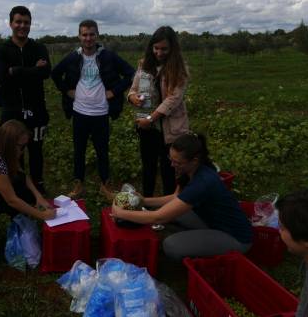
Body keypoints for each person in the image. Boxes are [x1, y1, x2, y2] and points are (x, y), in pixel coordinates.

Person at [111, 133, 252, 261]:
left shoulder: (203, 182)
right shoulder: (191, 170)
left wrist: (120, 213)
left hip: (235, 237)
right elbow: (176, 197)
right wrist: (144, 200)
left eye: (177, 162)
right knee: (169, 210)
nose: (172, 165)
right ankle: (199, 237)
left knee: (171, 245)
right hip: (211, 222)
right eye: (170, 159)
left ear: (194, 160)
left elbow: (158, 217)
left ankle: (206, 250)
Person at [51, 19, 135, 199]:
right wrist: (67, 90)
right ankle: (78, 185)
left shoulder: (108, 56)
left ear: (97, 35)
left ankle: (105, 185)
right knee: (78, 150)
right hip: (80, 111)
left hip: (101, 112)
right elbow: (55, 73)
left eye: (91, 34)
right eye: (84, 34)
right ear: (79, 36)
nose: (88, 38)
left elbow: (130, 73)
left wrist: (115, 91)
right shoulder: (73, 57)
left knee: (102, 150)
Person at [0, 6, 51, 195]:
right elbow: (3, 77)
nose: (22, 26)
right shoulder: (2, 50)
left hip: (37, 108)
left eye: (26, 22)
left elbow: (46, 72)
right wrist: (33, 71)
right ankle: (18, 187)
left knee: (36, 150)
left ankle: (38, 185)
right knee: (13, 152)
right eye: (18, 22)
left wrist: (16, 71)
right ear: (10, 23)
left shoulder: (39, 47)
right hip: (11, 109)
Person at [127, 26, 189, 197]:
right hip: (148, 128)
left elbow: (173, 99)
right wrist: (132, 98)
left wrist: (151, 118)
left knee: (169, 171)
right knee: (148, 167)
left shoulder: (179, 69)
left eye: (164, 49)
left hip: (170, 129)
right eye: (156, 48)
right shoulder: (144, 64)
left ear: (172, 49)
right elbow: (133, 89)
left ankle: (168, 208)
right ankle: (146, 202)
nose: (159, 52)